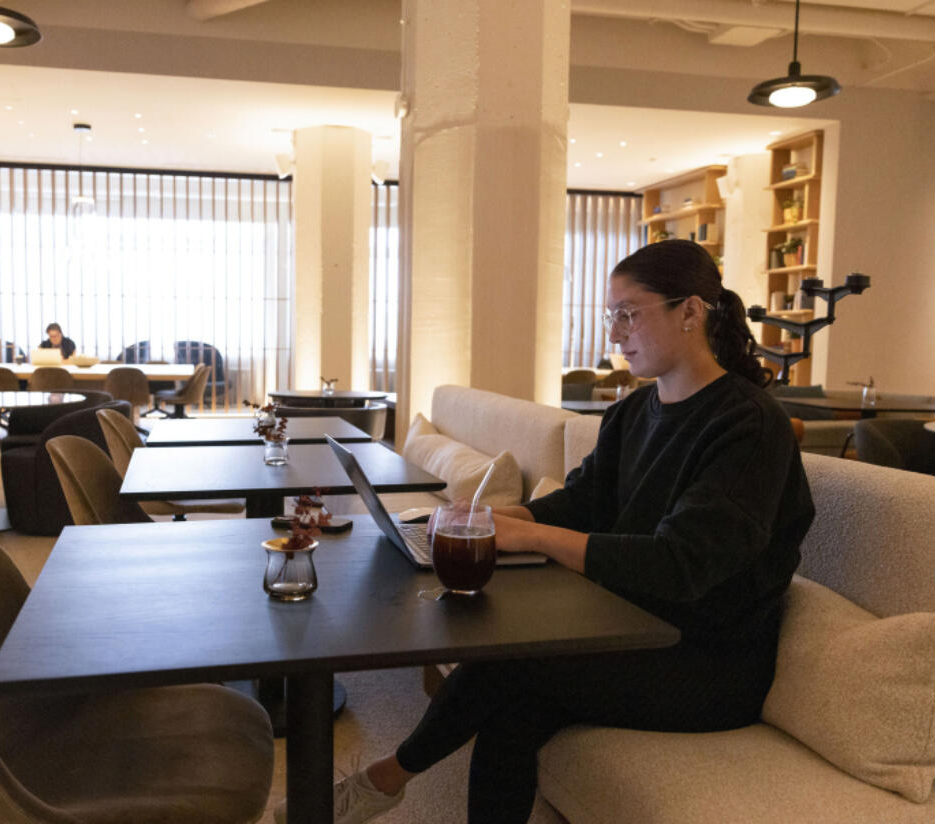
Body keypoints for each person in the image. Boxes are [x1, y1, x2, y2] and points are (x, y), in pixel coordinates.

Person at [277, 239, 815, 824]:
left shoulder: (749, 425)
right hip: (627, 624)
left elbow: (680, 565)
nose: (615, 333)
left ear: (690, 311)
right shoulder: (634, 412)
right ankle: (385, 782)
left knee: (514, 665)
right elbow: (582, 502)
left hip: (707, 662)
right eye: (612, 315)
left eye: (628, 313)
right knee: (514, 700)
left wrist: (529, 538)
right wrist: (492, 519)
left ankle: (385, 778)